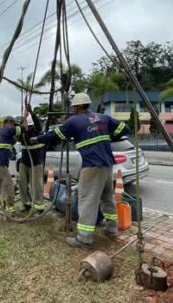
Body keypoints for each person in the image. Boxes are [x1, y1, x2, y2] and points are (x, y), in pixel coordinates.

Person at [31, 93, 130, 249]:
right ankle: (112, 229)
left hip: (91, 166)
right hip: (107, 165)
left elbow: (55, 136)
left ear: (76, 107)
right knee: (107, 198)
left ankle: (84, 238)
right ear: (88, 104)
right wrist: (107, 137)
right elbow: (125, 128)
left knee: (87, 201)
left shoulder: (74, 121)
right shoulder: (102, 118)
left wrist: (38, 139)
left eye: (73, 107)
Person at [0, 115, 22, 214]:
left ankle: (4, 205)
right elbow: (19, 130)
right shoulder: (6, 129)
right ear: (8, 123)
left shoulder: (1, 132)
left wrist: (17, 135)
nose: (13, 126)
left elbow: (14, 140)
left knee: (1, 185)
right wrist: (22, 124)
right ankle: (9, 208)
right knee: (8, 185)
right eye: (12, 124)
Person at [19, 104, 45, 212]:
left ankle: (39, 206)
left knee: (36, 185)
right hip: (24, 162)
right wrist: (23, 118)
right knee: (22, 183)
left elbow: (38, 125)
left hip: (36, 162)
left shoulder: (37, 131)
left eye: (26, 123)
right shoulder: (22, 132)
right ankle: (26, 204)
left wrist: (31, 113)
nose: (25, 125)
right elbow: (18, 129)